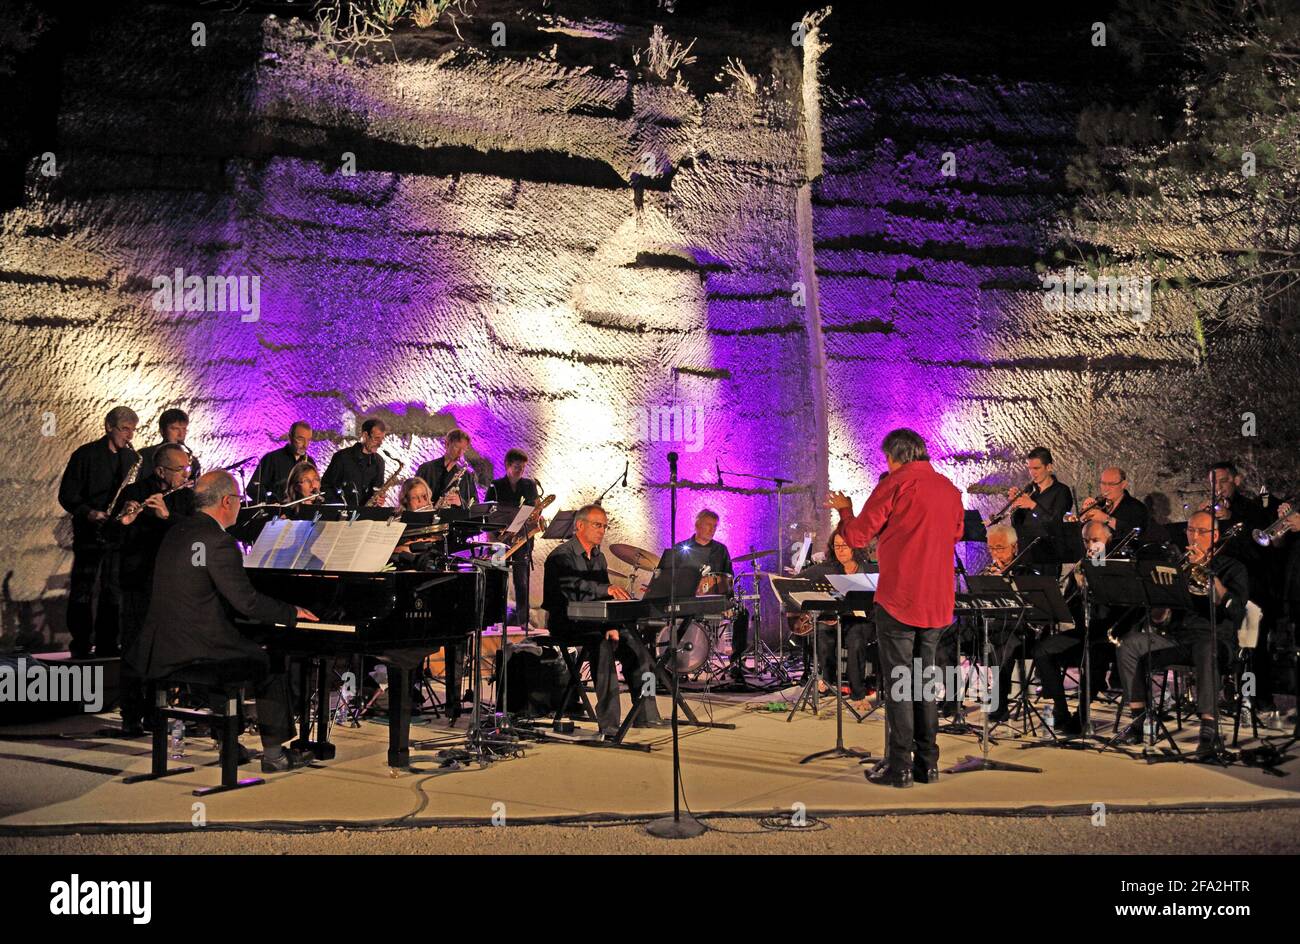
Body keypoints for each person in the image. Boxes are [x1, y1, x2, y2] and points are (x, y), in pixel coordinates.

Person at [123, 470, 320, 772]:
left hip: (160, 646)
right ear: (227, 501)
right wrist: (290, 612)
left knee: (229, 647)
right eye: (240, 500)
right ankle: (275, 754)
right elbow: (247, 602)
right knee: (268, 658)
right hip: (194, 649)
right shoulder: (219, 542)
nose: (241, 506)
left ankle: (228, 741)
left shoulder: (178, 531)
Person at [828, 428, 964, 788]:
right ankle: (928, 764)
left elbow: (856, 537)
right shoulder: (949, 489)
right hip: (937, 600)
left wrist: (845, 510)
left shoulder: (896, 483)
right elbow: (955, 533)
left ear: (892, 456)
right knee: (923, 682)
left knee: (901, 682)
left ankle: (900, 765)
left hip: (901, 598)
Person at [1116, 510, 1247, 754]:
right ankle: (1139, 719)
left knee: (1207, 648)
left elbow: (1237, 612)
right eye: (1190, 530)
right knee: (1130, 645)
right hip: (1178, 639)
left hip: (1216, 639)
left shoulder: (1233, 568)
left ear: (1215, 535)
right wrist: (1158, 605)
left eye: (1201, 531)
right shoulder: (1177, 567)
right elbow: (1162, 618)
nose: (1194, 537)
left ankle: (1208, 728)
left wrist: (1210, 576)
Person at [542, 504, 664, 737]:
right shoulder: (560, 556)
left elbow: (602, 602)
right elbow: (572, 588)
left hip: (594, 621)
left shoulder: (599, 558)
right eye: (597, 525)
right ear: (580, 526)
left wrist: (613, 626)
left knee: (638, 647)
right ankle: (609, 724)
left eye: (605, 526)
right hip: (566, 623)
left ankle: (646, 713)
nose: (602, 530)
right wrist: (606, 589)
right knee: (601, 646)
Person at [107, 442, 196, 735]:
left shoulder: (185, 497)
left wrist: (167, 516)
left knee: (164, 652)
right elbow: (108, 536)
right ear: (160, 471)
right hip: (138, 584)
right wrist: (126, 521)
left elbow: (195, 534)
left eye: (186, 468)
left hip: (171, 585)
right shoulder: (135, 493)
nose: (185, 474)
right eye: (179, 469)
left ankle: (157, 714)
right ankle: (131, 716)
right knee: (134, 650)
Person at [57, 405, 139, 659]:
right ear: (108, 427)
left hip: (116, 534)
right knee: (83, 588)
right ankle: (80, 643)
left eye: (133, 430)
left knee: (112, 589)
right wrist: (89, 513)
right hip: (89, 533)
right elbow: (67, 495)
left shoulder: (130, 459)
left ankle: (107, 642)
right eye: (125, 429)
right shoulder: (85, 455)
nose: (130, 436)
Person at [798, 532, 876, 712]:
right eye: (837, 546)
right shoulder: (828, 568)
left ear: (855, 547)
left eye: (844, 546)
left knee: (855, 639)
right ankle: (827, 680)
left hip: (863, 620)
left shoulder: (869, 570)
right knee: (823, 631)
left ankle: (858, 693)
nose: (840, 550)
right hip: (836, 618)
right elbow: (799, 580)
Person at [484, 448, 542, 626]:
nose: (521, 471)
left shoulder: (529, 486)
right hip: (499, 540)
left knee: (522, 581)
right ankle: (494, 621)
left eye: (523, 467)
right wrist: (494, 537)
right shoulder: (496, 486)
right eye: (517, 467)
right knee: (496, 580)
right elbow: (487, 513)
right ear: (507, 466)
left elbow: (533, 512)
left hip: (522, 541)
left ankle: (523, 621)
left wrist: (537, 515)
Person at [1008, 447, 1075, 572]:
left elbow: (1055, 524)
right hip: (1026, 555)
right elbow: (1018, 525)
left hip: (1048, 557)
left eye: (1036, 468)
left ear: (1049, 467)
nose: (1032, 473)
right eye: (1030, 469)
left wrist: (1032, 506)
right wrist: (1015, 506)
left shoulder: (1061, 491)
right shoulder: (1030, 491)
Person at [321, 418, 386, 506]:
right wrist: (340, 505)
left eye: (382, 439)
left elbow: (377, 491)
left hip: (366, 515)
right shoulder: (342, 457)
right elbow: (326, 486)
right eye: (377, 438)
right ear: (365, 435)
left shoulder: (379, 462)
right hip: (342, 514)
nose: (380, 443)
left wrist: (379, 499)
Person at [249, 421, 314, 504]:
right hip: (277, 513)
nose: (305, 445)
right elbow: (253, 488)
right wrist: (272, 503)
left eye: (308, 440)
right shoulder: (272, 458)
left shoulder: (310, 462)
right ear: (290, 437)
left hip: (302, 513)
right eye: (300, 439)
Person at [415, 428, 478, 512]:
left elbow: (475, 504)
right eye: (456, 447)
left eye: (463, 449)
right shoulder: (426, 469)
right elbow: (413, 498)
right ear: (447, 444)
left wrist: (461, 502)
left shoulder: (467, 476)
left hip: (454, 523)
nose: (460, 453)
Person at [137, 408, 200, 481]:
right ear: (162, 431)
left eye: (184, 429)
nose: (181, 435)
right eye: (174, 429)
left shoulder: (192, 461)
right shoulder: (144, 455)